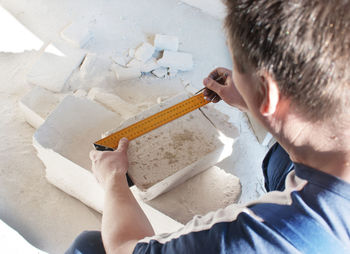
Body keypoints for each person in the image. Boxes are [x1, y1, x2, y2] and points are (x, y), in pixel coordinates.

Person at [66, 0, 350, 253]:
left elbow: (124, 248)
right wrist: (254, 99)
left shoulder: (255, 237)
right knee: (278, 161)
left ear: (270, 94)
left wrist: (114, 178)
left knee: (88, 246)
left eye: (236, 64)